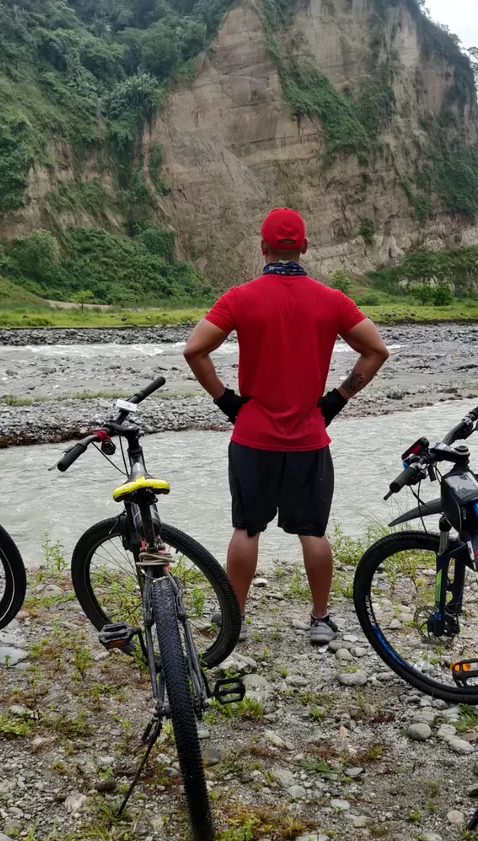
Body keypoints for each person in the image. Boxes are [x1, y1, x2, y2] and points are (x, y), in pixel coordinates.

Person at [183, 208, 390, 645]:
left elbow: (195, 350)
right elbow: (376, 350)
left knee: (247, 528)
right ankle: (318, 620)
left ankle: (234, 621)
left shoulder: (240, 297)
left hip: (252, 436)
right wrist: (338, 398)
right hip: (309, 437)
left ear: (262, 247)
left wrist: (225, 400)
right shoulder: (332, 300)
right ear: (304, 248)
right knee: (312, 531)